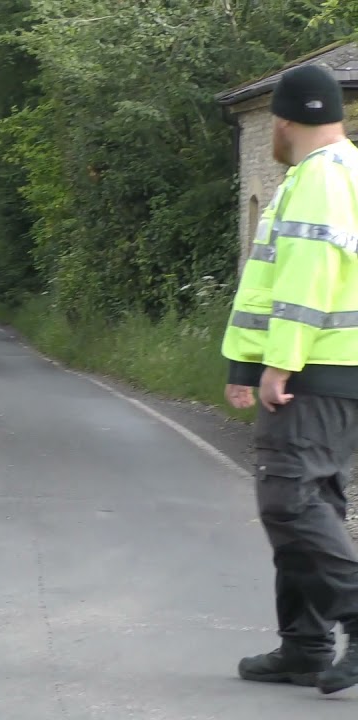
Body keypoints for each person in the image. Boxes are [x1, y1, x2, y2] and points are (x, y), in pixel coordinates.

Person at [221, 63, 358, 695]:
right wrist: (245, 363)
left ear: (281, 121)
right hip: (335, 366)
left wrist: (280, 363)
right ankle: (304, 646)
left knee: (289, 498)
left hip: (314, 366)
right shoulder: (341, 171)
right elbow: (271, 285)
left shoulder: (317, 179)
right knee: (316, 499)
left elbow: (307, 278)